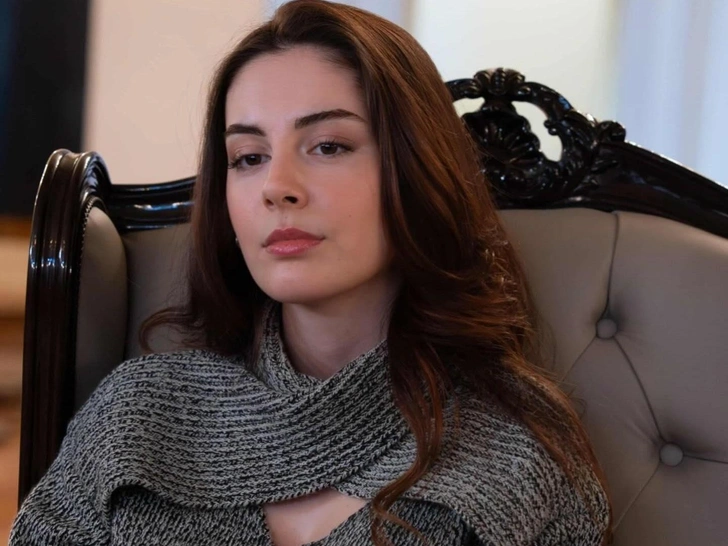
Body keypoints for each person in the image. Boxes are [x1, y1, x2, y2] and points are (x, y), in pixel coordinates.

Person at [10, 1, 613, 544]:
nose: (277, 187)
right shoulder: (137, 415)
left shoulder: (516, 453)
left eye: (328, 146)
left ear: (417, 172)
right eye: (249, 157)